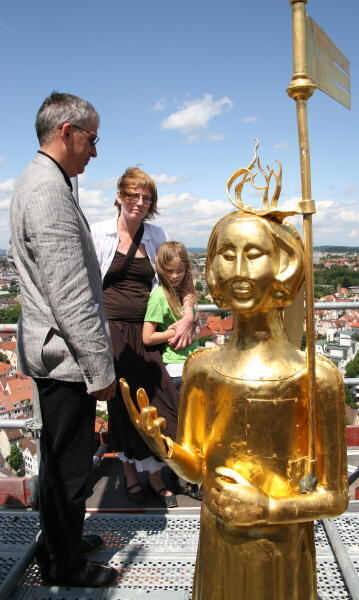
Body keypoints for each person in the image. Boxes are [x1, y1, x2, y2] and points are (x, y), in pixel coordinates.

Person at [121, 209, 348, 600]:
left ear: (284, 267)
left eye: (255, 253)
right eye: (227, 254)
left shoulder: (316, 377)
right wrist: (165, 448)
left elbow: (335, 497)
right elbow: (196, 471)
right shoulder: (201, 369)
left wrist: (270, 509)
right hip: (219, 545)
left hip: (283, 553)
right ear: (211, 270)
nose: (239, 270)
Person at [9, 92, 117, 587]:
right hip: (67, 355)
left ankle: (61, 542)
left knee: (57, 461)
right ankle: (64, 567)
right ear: (67, 131)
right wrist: (101, 371)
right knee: (70, 470)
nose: (95, 152)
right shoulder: (50, 192)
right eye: (92, 139)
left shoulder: (37, 180)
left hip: (50, 349)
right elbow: (71, 294)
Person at [91, 168, 194, 508]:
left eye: (146, 198)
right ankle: (133, 474)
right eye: (133, 195)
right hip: (112, 331)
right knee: (122, 405)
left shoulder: (156, 234)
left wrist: (189, 315)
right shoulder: (99, 233)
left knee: (160, 399)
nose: (139, 202)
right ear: (119, 196)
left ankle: (154, 473)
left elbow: (183, 278)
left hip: (149, 330)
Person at [143, 241, 199, 390]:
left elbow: (197, 329)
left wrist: (193, 331)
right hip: (175, 366)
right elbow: (147, 338)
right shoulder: (159, 296)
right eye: (169, 271)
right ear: (161, 269)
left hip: (193, 361)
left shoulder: (184, 293)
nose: (175, 276)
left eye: (180, 271)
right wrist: (175, 332)